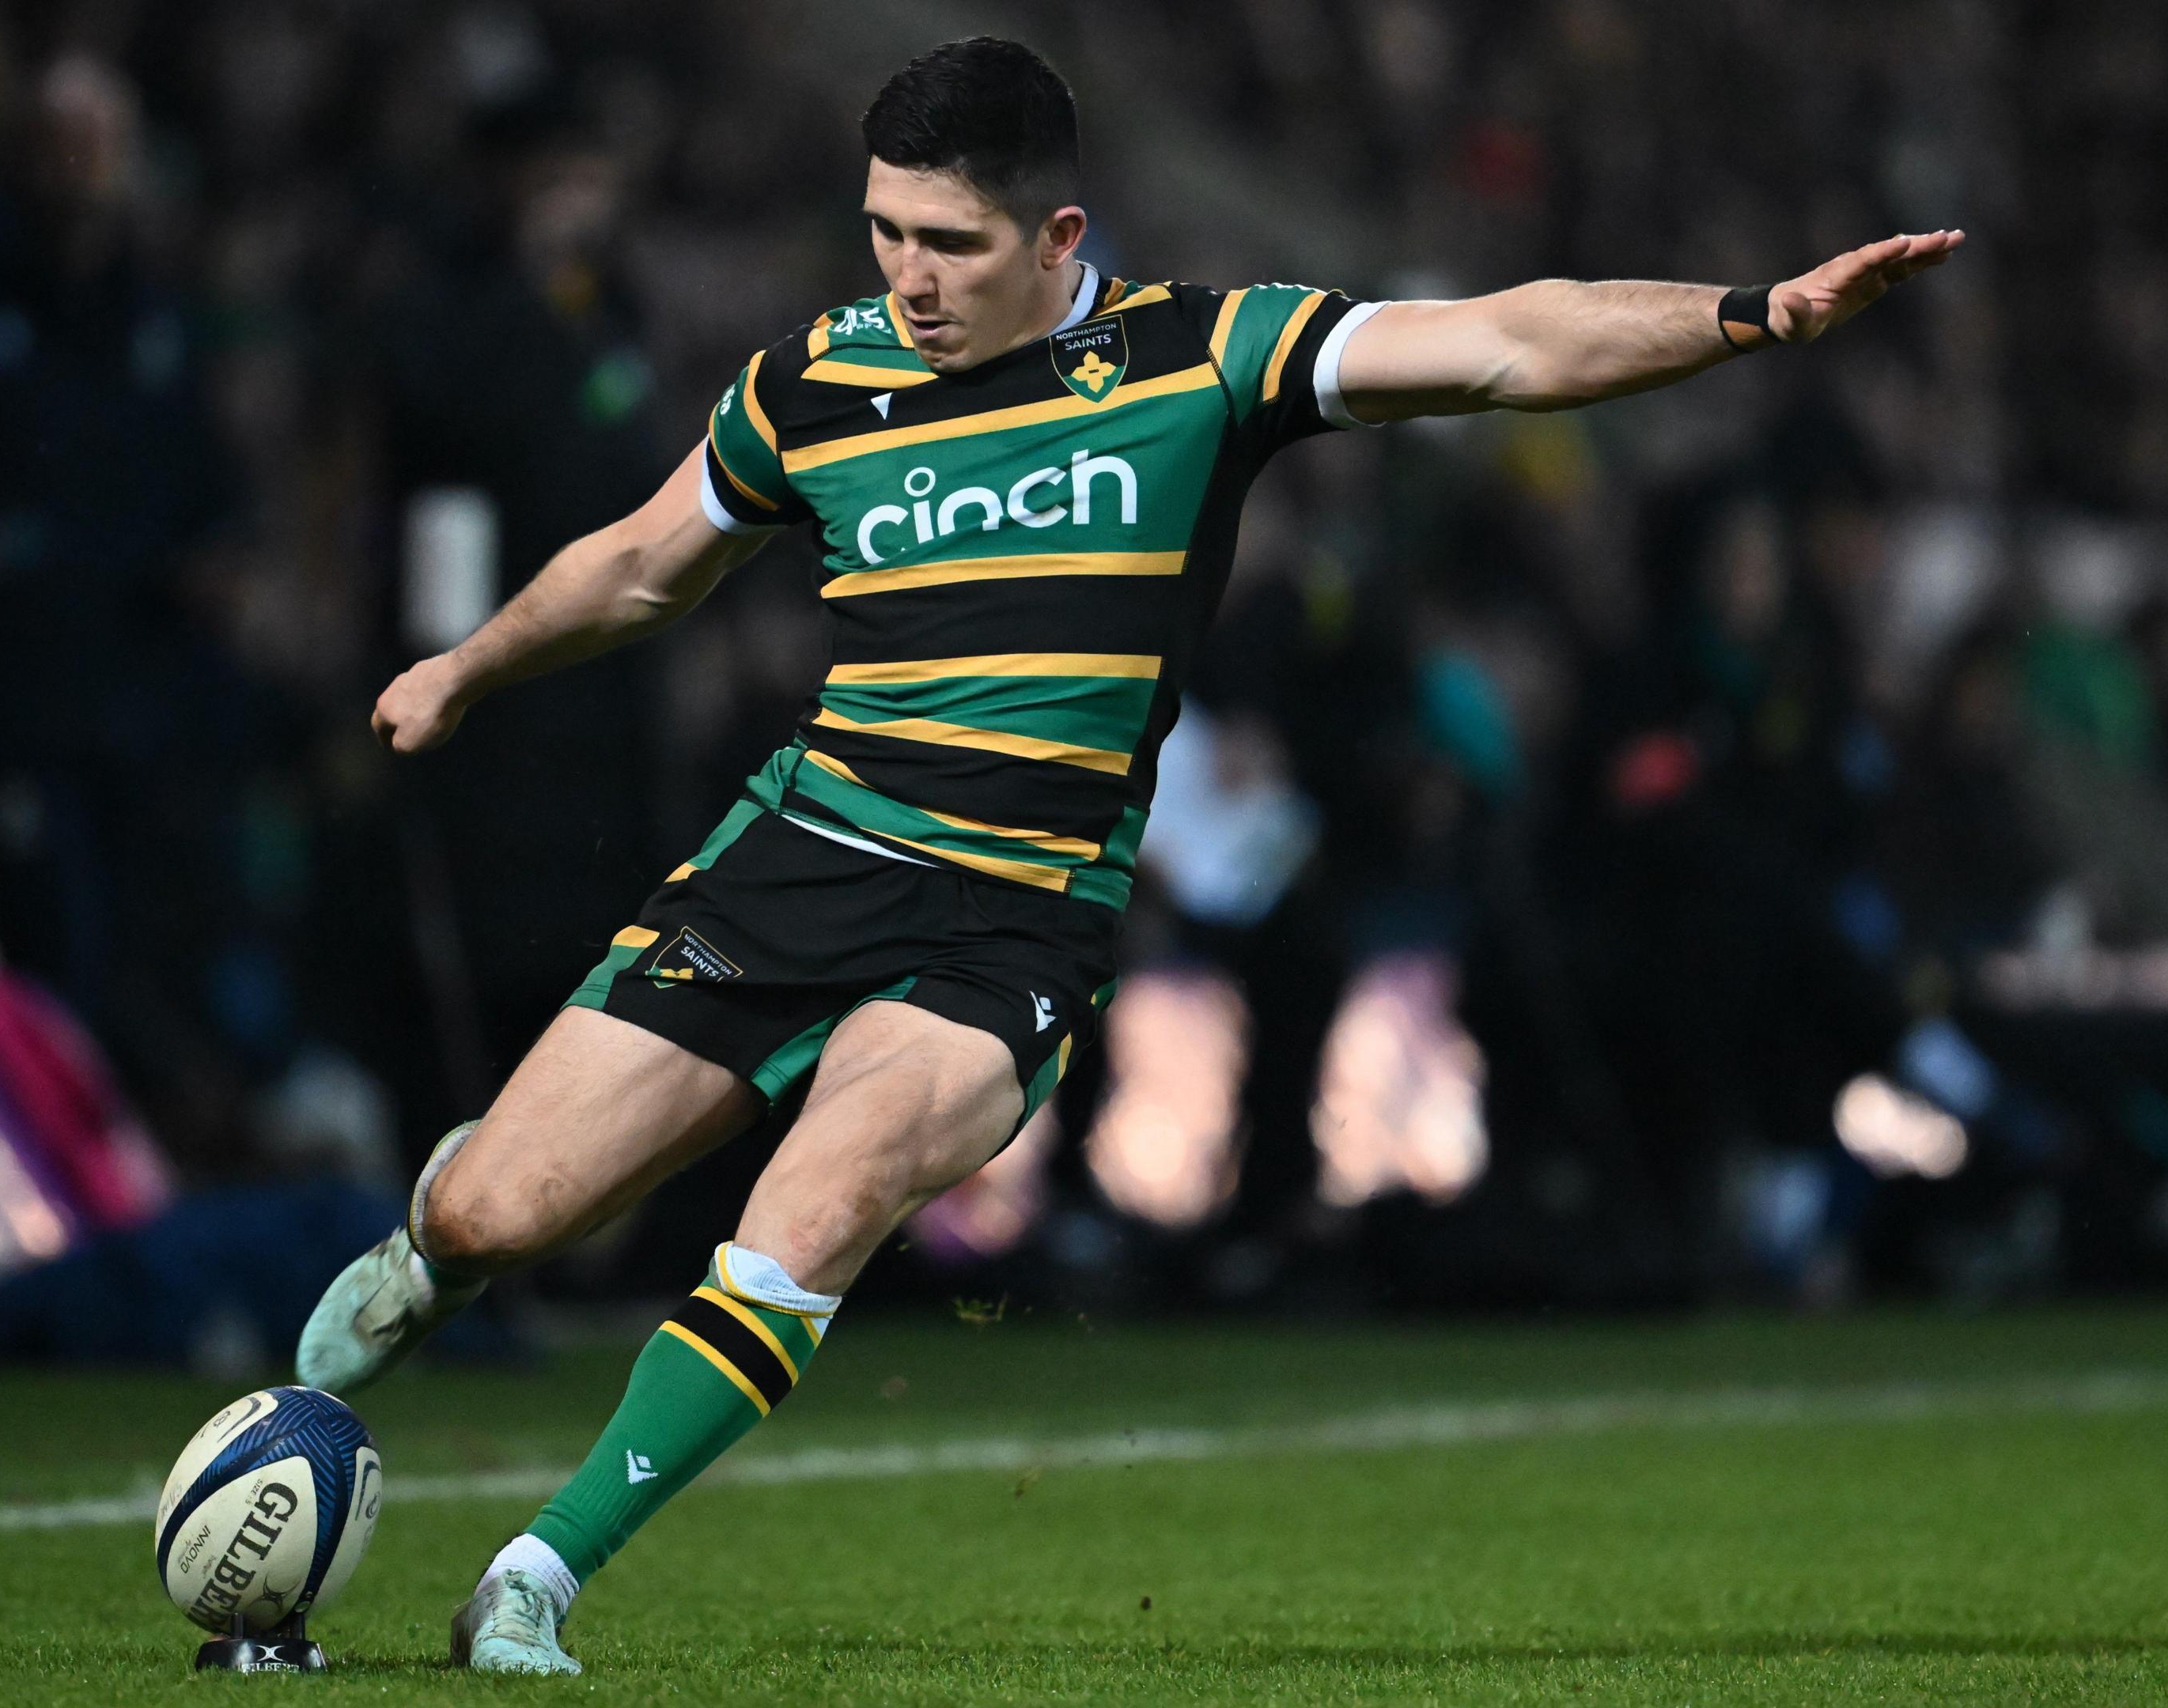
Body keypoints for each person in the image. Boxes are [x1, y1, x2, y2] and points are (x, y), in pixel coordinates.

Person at [297, 36, 1959, 1675]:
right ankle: (412, 1267)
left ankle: (533, 1578)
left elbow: (1511, 343)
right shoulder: (817, 376)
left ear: (1061, 241)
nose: (911, 278)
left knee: (826, 1198)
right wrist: (464, 667)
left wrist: (1753, 316)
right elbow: (647, 565)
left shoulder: (1205, 360)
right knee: (500, 1212)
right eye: (886, 232)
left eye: (950, 243)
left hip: (1014, 918)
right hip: (799, 857)